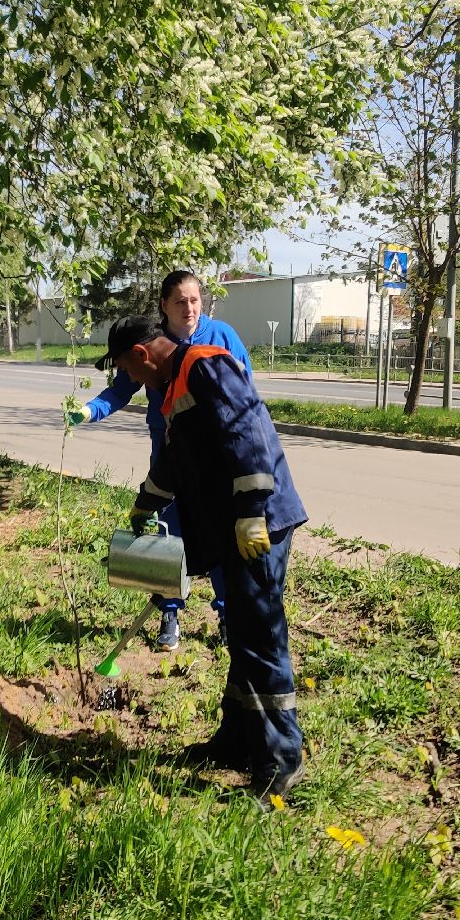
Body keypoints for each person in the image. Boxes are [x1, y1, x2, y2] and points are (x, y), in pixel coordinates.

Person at [93, 315, 308, 801]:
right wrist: (145, 502)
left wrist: (252, 509)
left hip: (257, 526)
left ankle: (281, 758)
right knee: (244, 636)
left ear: (143, 355)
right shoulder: (174, 387)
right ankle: (237, 741)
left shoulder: (204, 365)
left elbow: (246, 432)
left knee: (260, 636)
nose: (130, 380)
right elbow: (176, 460)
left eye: (128, 369)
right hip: (232, 529)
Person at [66, 270, 252, 651]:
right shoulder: (151, 342)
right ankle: (170, 611)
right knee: (171, 534)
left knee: (217, 532)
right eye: (181, 301)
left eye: (195, 299)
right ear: (164, 305)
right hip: (168, 451)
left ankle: (227, 613)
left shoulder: (222, 337)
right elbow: (120, 389)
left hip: (214, 458)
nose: (190, 308)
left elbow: (245, 393)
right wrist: (88, 411)